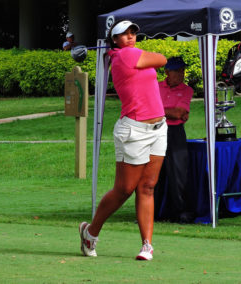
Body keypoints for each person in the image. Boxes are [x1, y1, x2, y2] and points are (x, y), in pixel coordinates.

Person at [79, 20, 167, 261]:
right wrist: (146, 54)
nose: (130, 37)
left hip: (159, 128)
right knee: (124, 189)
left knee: (147, 187)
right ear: (114, 40)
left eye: (133, 33)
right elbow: (161, 59)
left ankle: (147, 245)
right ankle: (90, 232)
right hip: (134, 129)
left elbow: (157, 59)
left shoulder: (129, 54)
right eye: (123, 34)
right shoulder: (125, 56)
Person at [154, 56, 194, 223]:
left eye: (182, 70)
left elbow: (179, 113)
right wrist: (166, 111)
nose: (181, 73)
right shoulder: (155, 87)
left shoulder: (187, 90)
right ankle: (152, 213)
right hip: (155, 131)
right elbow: (148, 107)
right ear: (167, 72)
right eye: (177, 70)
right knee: (153, 174)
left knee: (178, 173)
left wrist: (158, 110)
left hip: (174, 132)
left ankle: (182, 212)